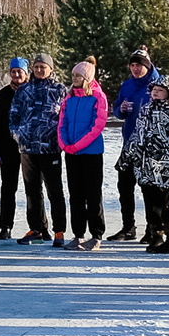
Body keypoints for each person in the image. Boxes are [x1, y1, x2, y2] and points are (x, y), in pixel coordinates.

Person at [5, 54, 67, 245]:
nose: (40, 70)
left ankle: (59, 231)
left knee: (54, 190)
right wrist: (18, 134)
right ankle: (36, 228)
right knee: (32, 191)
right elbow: (13, 115)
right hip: (28, 148)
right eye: (37, 67)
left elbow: (65, 118)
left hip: (50, 148)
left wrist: (60, 139)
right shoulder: (24, 90)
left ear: (51, 68)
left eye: (43, 67)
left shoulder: (59, 90)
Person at [128, 77, 169, 254]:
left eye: (160, 90)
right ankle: (156, 235)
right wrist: (129, 156)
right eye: (154, 89)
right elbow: (137, 135)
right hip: (147, 166)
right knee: (151, 204)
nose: (156, 92)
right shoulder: (146, 109)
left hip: (168, 167)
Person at [110, 46, 161, 240]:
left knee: (150, 188)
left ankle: (153, 228)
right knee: (124, 185)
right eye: (132, 65)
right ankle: (128, 227)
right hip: (129, 143)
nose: (135, 69)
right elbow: (116, 109)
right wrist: (121, 109)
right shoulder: (127, 85)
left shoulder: (157, 84)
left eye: (139, 65)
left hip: (150, 147)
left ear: (147, 66)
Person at [58, 60, 110, 249]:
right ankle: (78, 234)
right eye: (73, 76)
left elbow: (97, 125)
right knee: (76, 194)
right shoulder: (69, 98)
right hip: (72, 152)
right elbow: (62, 122)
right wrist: (64, 144)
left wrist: (79, 145)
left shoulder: (98, 97)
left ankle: (96, 234)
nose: (75, 79)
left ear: (87, 77)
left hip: (91, 152)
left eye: (78, 76)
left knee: (93, 194)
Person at [0, 59, 27, 236]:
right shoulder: (3, 95)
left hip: (29, 149)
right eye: (14, 71)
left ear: (26, 73)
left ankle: (39, 227)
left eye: (20, 71)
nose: (16, 75)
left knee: (33, 189)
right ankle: (6, 226)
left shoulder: (32, 92)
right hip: (7, 149)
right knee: (8, 188)